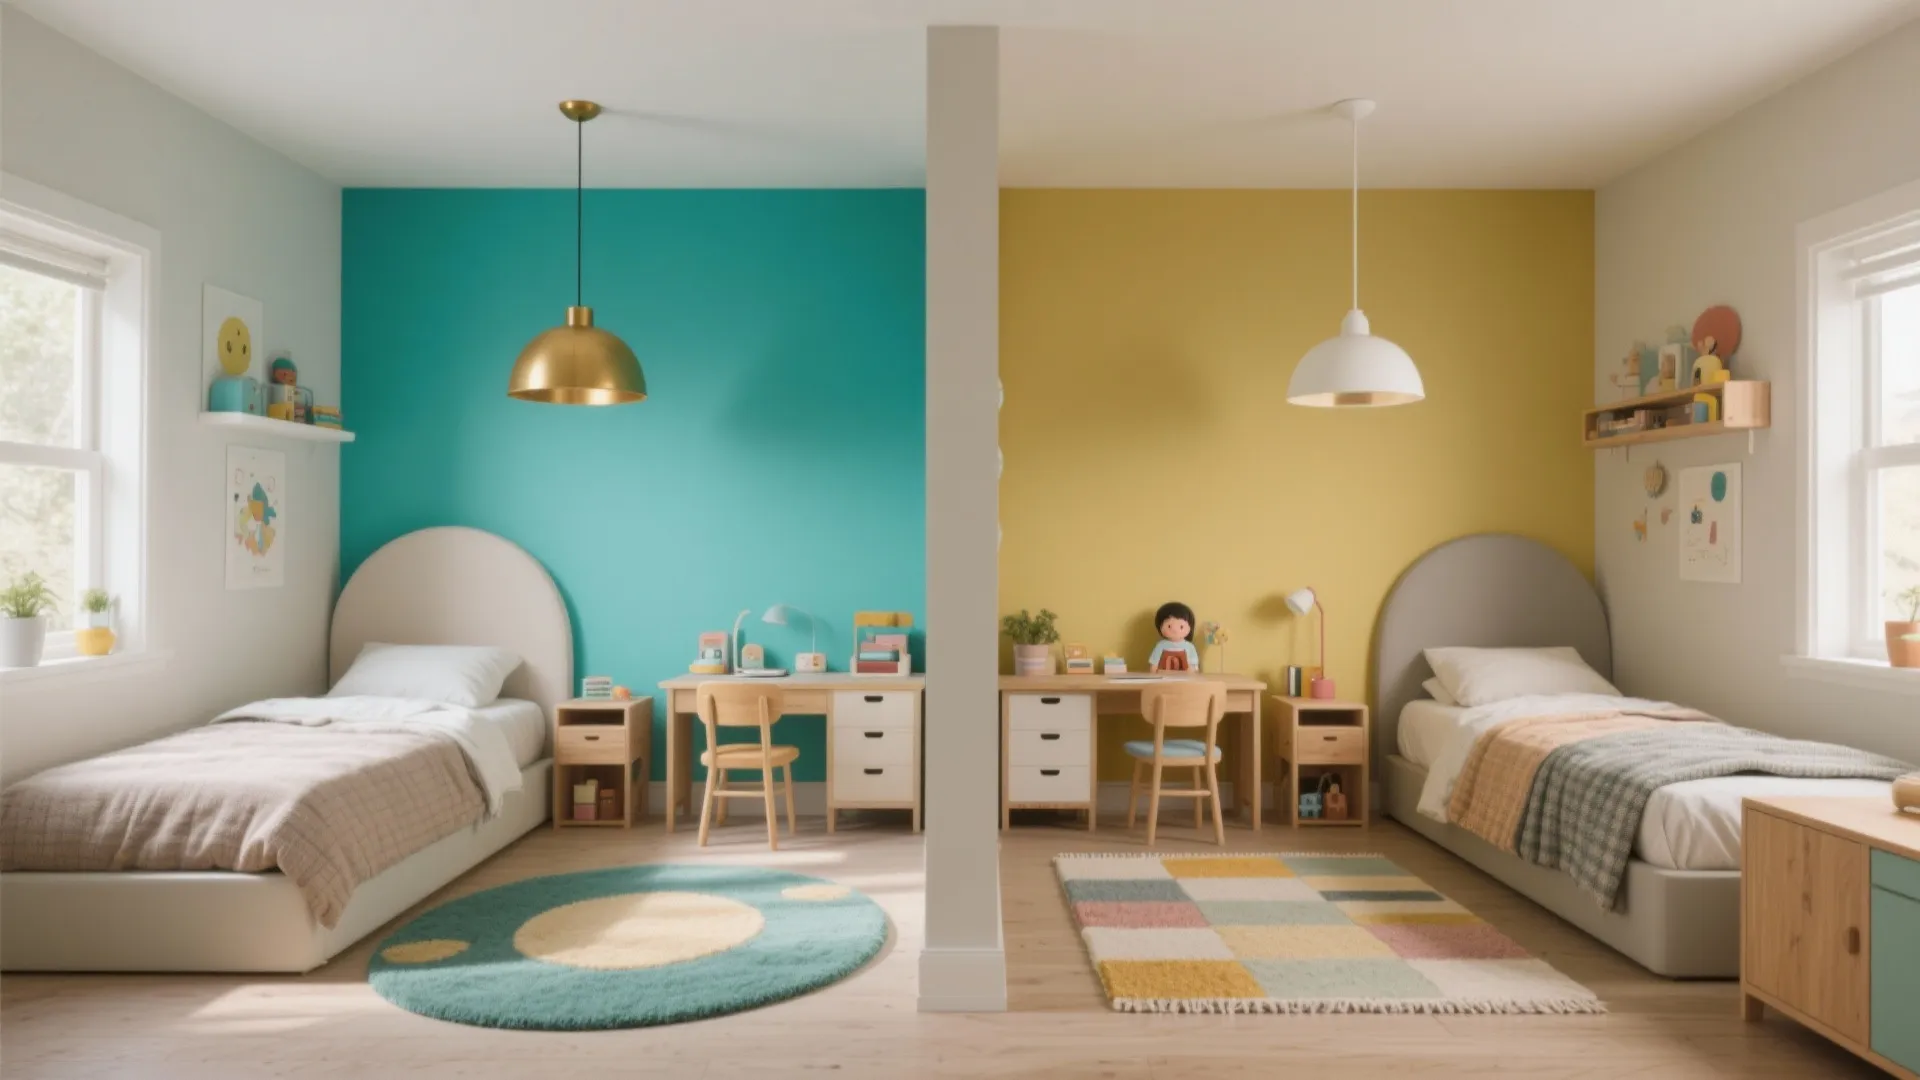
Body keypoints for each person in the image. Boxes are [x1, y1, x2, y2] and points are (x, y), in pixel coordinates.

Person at [1147, 601, 1199, 673]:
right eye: (1169, 626)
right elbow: (1154, 664)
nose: (1175, 630)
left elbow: (1194, 666)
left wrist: (1192, 671)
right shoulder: (1160, 645)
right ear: (1160, 626)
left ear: (1190, 627)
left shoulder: (1190, 646)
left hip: (1184, 680)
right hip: (1163, 679)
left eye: (1181, 627)